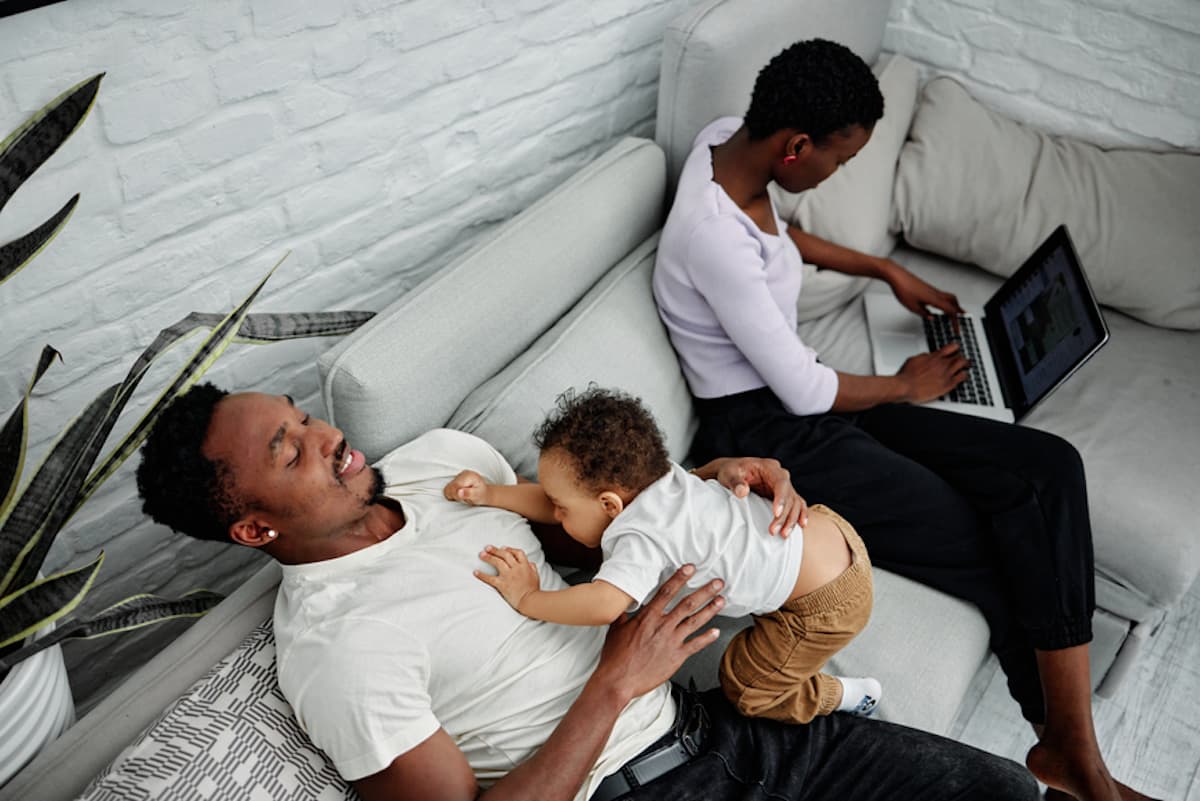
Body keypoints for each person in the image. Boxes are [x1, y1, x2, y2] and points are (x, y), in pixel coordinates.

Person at [652, 37, 1154, 801]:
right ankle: (1080, 766)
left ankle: (1070, 758)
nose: (838, 171)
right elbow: (806, 389)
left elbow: (778, 238)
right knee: (986, 533)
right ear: (795, 147)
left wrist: (883, 267)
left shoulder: (727, 141)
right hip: (771, 432)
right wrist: (905, 383)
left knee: (1048, 469)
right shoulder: (708, 237)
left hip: (803, 401)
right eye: (839, 159)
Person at [136, 383, 1040, 801]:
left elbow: (593, 526)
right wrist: (614, 682)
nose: (328, 434)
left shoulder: (443, 463)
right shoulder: (338, 649)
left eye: (302, 415)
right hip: (633, 785)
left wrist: (691, 493)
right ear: (254, 529)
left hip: (722, 721)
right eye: (289, 450)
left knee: (999, 789)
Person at [444, 386, 880, 723]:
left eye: (561, 506)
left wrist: (528, 599)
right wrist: (491, 493)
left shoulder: (643, 537)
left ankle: (842, 696)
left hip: (822, 606)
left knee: (749, 688)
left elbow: (603, 604)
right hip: (827, 530)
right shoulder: (660, 479)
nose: (554, 512)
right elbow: (559, 506)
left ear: (611, 506)